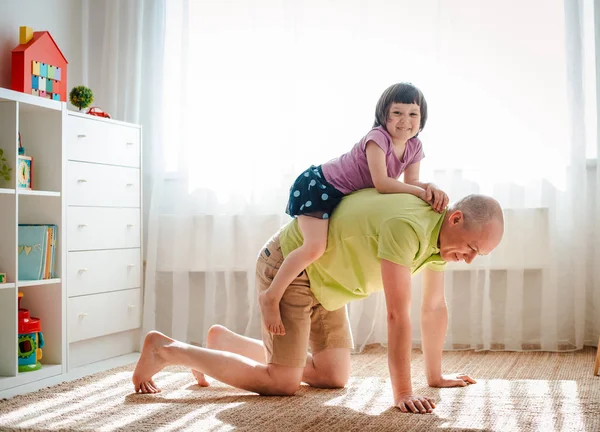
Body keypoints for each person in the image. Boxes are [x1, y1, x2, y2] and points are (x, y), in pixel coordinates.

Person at [133, 189, 504, 414]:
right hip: (292, 267)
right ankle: (167, 349)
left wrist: (435, 377)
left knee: (333, 376)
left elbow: (434, 307)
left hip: (328, 286)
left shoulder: (442, 244)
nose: (469, 259)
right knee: (283, 382)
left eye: (478, 255)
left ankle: (224, 343)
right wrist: (403, 393)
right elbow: (395, 314)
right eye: (471, 248)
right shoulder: (408, 227)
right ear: (455, 218)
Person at [259, 82, 449, 336]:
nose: (405, 121)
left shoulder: (415, 147)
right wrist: (422, 194)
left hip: (339, 195)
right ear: (384, 115)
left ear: (421, 119)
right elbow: (382, 183)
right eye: (397, 113)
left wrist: (430, 187)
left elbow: (411, 182)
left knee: (324, 245)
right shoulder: (377, 138)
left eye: (413, 114)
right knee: (314, 247)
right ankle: (271, 296)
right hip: (319, 186)